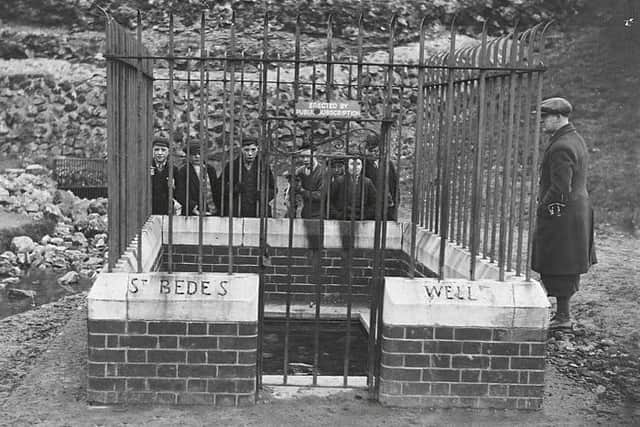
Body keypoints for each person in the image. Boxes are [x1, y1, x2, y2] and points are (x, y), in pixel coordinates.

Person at [531, 97, 597, 330]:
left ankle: (562, 317)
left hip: (563, 213)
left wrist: (543, 207)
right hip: (574, 211)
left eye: (545, 117)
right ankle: (562, 314)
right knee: (564, 262)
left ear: (558, 117)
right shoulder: (573, 138)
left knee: (558, 261)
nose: (542, 122)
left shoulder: (561, 146)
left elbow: (560, 187)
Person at [221, 137, 275, 217]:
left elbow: (273, 188)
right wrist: (233, 189)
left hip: (258, 210)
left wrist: (264, 195)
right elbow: (220, 187)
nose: (250, 153)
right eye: (246, 150)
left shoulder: (263, 167)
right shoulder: (232, 166)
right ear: (241, 150)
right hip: (236, 210)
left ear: (258, 149)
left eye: (253, 150)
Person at [174, 139, 219, 216]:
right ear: (188, 155)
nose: (197, 156)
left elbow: (216, 188)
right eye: (193, 154)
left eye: (199, 153)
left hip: (212, 210)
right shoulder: (184, 171)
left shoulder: (210, 169)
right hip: (193, 211)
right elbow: (180, 193)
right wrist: (192, 206)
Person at [363, 133, 399, 220]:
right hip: (369, 209)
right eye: (370, 150)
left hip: (387, 208)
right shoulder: (363, 164)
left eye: (376, 151)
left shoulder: (388, 164)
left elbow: (394, 185)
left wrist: (395, 203)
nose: (373, 154)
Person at [292, 145, 327, 219]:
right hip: (304, 214)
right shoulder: (299, 171)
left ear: (314, 154)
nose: (305, 159)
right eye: (303, 157)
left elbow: (320, 195)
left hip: (319, 215)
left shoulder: (323, 172)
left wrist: (302, 191)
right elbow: (291, 190)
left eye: (308, 156)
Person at [150, 136, 181, 215]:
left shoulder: (174, 170)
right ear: (152, 151)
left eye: (163, 150)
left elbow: (179, 191)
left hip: (167, 210)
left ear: (168, 152)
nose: (160, 153)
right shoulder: (146, 168)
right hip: (149, 209)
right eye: (156, 150)